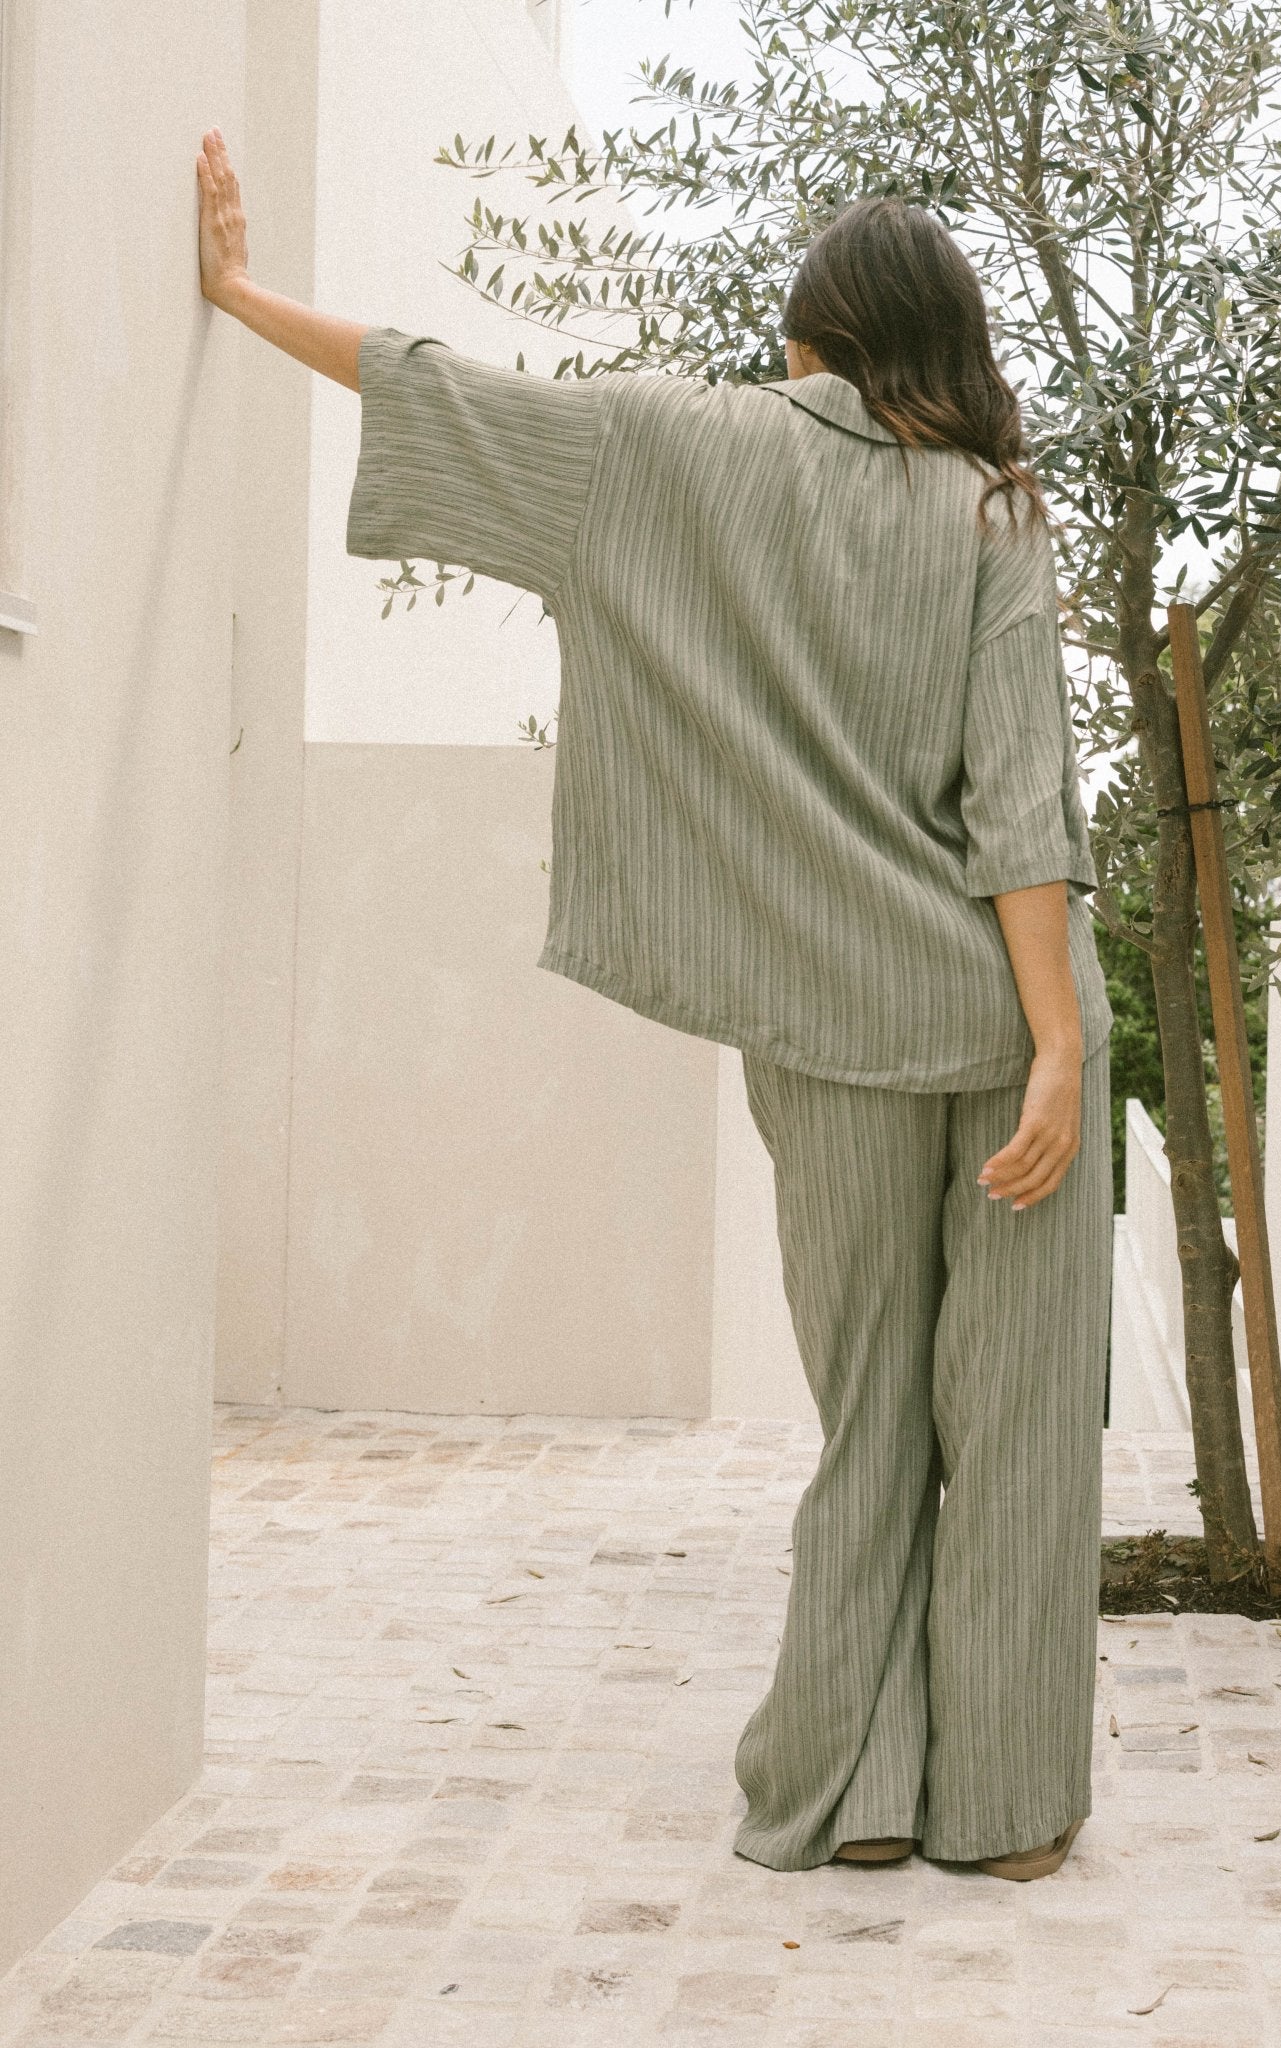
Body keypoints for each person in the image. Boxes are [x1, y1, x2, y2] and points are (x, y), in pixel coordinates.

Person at [197, 125, 1114, 1882]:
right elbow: (1023, 807)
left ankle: (849, 1793)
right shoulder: (995, 509)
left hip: (830, 1026)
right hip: (1012, 1023)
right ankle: (1002, 1816)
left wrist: (241, 295)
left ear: (810, 332)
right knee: (1013, 1423)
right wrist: (1060, 1051)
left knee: (869, 1407)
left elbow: (431, 383)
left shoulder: (665, 443)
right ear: (946, 342)